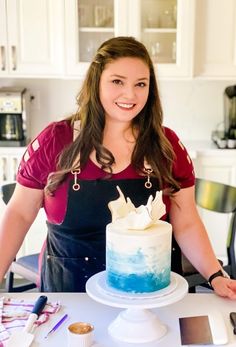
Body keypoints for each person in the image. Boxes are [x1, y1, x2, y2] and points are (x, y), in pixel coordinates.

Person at [0, 37, 236, 297]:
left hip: (150, 296)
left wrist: (215, 275)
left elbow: (187, 222)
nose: (130, 94)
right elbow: (20, 213)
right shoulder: (55, 141)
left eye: (140, 84)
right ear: (96, 82)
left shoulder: (166, 146)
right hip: (70, 297)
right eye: (117, 81)